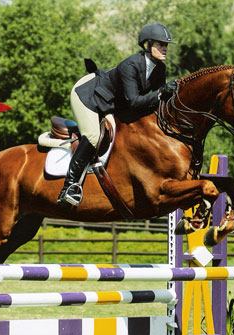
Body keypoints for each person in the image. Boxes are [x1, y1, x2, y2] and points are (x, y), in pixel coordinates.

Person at [57, 22, 177, 207]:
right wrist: (161, 93)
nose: (164, 48)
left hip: (113, 103)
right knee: (93, 136)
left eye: (166, 45)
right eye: (160, 44)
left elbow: (153, 104)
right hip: (89, 95)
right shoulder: (131, 65)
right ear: (148, 44)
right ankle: (69, 186)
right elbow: (134, 101)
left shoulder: (160, 68)